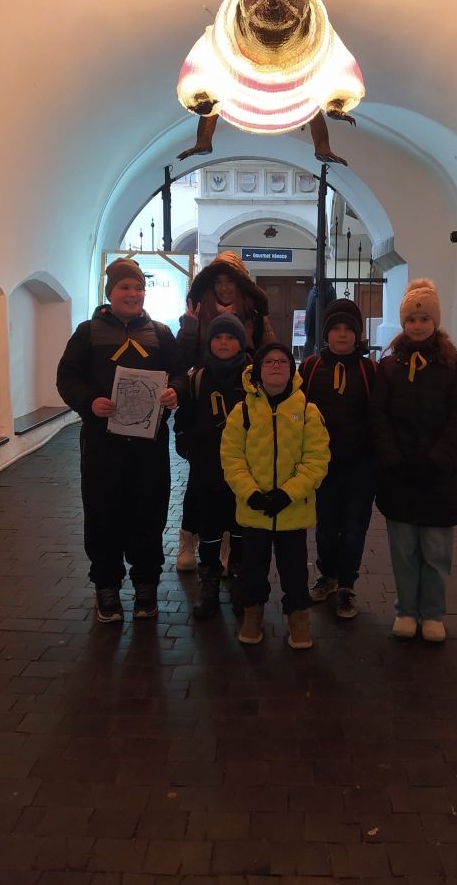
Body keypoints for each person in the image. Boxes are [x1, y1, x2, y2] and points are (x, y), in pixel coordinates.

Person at [56, 258, 184, 623]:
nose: (133, 293)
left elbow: (180, 375)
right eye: (125, 287)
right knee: (103, 514)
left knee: (149, 513)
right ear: (110, 291)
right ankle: (107, 587)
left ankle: (146, 585)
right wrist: (88, 402)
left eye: (138, 287)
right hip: (102, 445)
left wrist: (175, 391)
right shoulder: (88, 332)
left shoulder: (160, 333)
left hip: (149, 446)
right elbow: (67, 378)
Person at [371, 278, 457, 643]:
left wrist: (435, 461)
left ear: (435, 321)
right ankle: (406, 611)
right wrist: (394, 460)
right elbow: (378, 417)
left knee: (435, 550)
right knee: (403, 550)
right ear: (404, 323)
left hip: (438, 476)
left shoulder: (453, 366)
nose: (417, 325)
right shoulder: (389, 366)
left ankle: (432, 613)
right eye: (412, 319)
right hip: (399, 475)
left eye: (424, 319)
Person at [221, 342, 330, 650]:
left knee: (294, 569)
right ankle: (253, 613)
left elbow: (317, 459)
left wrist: (288, 493)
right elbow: (232, 458)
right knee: (253, 568)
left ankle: (297, 615)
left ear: (291, 369)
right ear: (257, 370)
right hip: (253, 510)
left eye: (282, 361)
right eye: (268, 361)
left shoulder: (307, 412)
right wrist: (250, 493)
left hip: (292, 509)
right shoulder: (242, 411)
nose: (276, 366)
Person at [174, 250, 275, 572]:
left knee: (236, 482)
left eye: (230, 281)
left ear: (240, 284)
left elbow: (269, 353)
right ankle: (188, 539)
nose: (224, 288)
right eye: (218, 281)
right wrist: (190, 328)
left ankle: (229, 545)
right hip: (205, 393)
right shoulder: (197, 309)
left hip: (240, 391)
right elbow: (181, 360)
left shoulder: (254, 313)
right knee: (199, 483)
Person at [300, 298, 376, 619]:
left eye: (348, 329)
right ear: (326, 333)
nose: (342, 334)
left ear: (357, 335)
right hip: (323, 466)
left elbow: (378, 415)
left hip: (361, 467)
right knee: (326, 527)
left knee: (355, 528)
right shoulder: (310, 367)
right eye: (335, 328)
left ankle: (347, 584)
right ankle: (328, 575)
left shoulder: (369, 370)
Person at [173, 313, 248, 619]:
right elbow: (185, 416)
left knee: (241, 525)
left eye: (230, 337)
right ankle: (210, 583)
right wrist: (187, 444)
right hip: (207, 465)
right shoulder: (199, 377)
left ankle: (239, 578)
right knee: (210, 525)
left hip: (245, 466)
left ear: (241, 342)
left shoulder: (251, 376)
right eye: (218, 337)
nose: (224, 343)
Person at [303, 280, 337, 358]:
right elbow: (331, 310)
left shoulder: (313, 292)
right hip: (321, 326)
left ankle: (306, 363)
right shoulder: (329, 291)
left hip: (310, 326)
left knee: (310, 347)